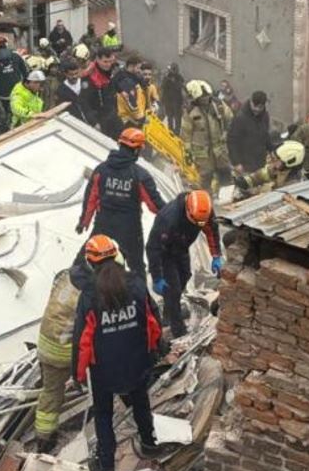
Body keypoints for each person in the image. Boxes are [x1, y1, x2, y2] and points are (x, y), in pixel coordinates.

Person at [72, 235, 167, 471]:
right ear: (116, 255)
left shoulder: (90, 296)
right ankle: (149, 443)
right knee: (140, 402)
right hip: (137, 360)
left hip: (105, 369)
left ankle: (107, 469)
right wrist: (157, 348)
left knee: (103, 415)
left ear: (90, 263)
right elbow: (152, 319)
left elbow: (82, 339)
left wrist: (78, 374)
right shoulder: (135, 283)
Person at [77, 128, 162, 280]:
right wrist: (174, 212)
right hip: (130, 230)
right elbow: (155, 205)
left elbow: (91, 198)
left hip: (103, 225)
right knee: (136, 269)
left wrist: (84, 221)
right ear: (137, 150)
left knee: (82, 263)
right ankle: (140, 300)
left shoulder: (101, 170)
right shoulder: (140, 175)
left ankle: (84, 294)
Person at [146, 190, 222, 338]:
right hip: (165, 253)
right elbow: (152, 248)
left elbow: (212, 230)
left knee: (185, 276)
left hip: (181, 248)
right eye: (196, 221)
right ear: (188, 210)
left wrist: (216, 255)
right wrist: (157, 277)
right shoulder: (168, 219)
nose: (199, 224)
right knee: (172, 290)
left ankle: (168, 312)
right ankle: (178, 330)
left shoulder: (204, 211)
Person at [33, 256, 85, 453]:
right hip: (67, 350)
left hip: (46, 345)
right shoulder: (89, 290)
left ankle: (44, 440)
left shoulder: (63, 277)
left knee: (51, 393)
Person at [181, 80, 230, 193]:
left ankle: (226, 198)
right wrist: (187, 153)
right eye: (202, 98)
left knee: (225, 175)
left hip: (220, 152)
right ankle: (208, 202)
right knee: (205, 179)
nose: (205, 99)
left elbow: (230, 119)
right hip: (202, 156)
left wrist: (226, 133)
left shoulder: (218, 106)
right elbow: (186, 134)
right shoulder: (190, 112)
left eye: (206, 96)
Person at [79, 48, 123, 139]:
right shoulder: (89, 78)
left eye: (110, 61)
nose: (108, 65)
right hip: (99, 118)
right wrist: (94, 123)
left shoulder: (112, 71)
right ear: (98, 59)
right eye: (105, 62)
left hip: (113, 114)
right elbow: (84, 102)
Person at [237, 140, 306, 195]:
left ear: (288, 163)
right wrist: (247, 181)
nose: (271, 162)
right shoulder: (279, 168)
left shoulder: (294, 184)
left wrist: (253, 191)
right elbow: (264, 174)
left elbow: (274, 194)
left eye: (275, 159)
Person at [228, 91, 273, 174]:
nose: (257, 110)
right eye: (255, 106)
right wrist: (236, 163)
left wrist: (272, 151)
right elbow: (232, 142)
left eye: (260, 107)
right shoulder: (240, 118)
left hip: (261, 163)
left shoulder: (265, 116)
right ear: (251, 102)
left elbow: (266, 136)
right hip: (245, 165)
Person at [0, 36, 28, 113]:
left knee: (4, 118)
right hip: (19, 93)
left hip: (3, 96)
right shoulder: (16, 56)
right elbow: (26, 74)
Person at [114, 56, 149, 130]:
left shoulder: (132, 76)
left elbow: (144, 86)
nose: (139, 70)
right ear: (131, 66)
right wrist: (141, 118)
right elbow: (130, 101)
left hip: (131, 117)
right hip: (128, 119)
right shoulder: (126, 81)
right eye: (138, 68)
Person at [160, 64, 185, 134]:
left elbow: (180, 87)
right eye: (172, 69)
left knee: (177, 117)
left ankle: (177, 131)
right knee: (169, 116)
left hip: (177, 101)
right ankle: (170, 130)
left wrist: (174, 81)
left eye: (174, 69)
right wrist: (167, 78)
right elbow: (162, 86)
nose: (173, 71)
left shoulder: (179, 78)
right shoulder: (167, 76)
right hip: (168, 100)